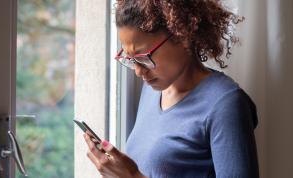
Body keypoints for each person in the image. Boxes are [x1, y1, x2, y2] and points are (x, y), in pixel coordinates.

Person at [83, 0, 260, 177]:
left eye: (144, 58)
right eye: (130, 59)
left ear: (182, 36)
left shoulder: (225, 104)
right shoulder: (153, 90)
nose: (138, 71)